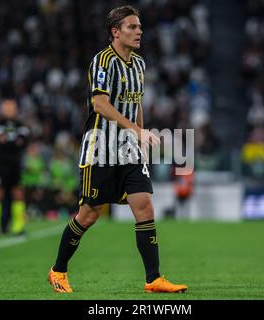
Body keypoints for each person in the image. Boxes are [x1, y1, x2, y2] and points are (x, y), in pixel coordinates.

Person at [48, 5, 187, 293]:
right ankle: (58, 270)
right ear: (115, 32)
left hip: (129, 150)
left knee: (145, 206)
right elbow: (100, 104)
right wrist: (136, 130)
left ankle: (153, 279)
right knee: (89, 214)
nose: (139, 32)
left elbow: (136, 105)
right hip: (101, 148)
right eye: (132, 27)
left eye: (139, 27)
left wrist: (140, 139)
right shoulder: (102, 62)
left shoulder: (139, 64)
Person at [0, 99, 30, 237]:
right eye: (6, 107)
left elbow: (23, 142)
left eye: (12, 107)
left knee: (18, 195)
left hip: (15, 166)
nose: (9, 110)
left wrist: (7, 142)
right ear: (2, 109)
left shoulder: (21, 125)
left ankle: (18, 228)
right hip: (0, 166)